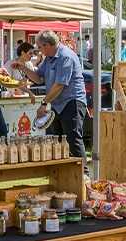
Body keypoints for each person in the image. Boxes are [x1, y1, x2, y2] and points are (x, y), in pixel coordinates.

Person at [27, 30, 88, 164]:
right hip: (57, 105)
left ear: (48, 45)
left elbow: (60, 85)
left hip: (72, 102)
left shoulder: (65, 56)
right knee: (57, 141)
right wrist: (23, 68)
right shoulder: (48, 59)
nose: (38, 50)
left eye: (39, 47)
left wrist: (44, 103)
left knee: (73, 140)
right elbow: (38, 78)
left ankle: (84, 173)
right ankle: (64, 174)